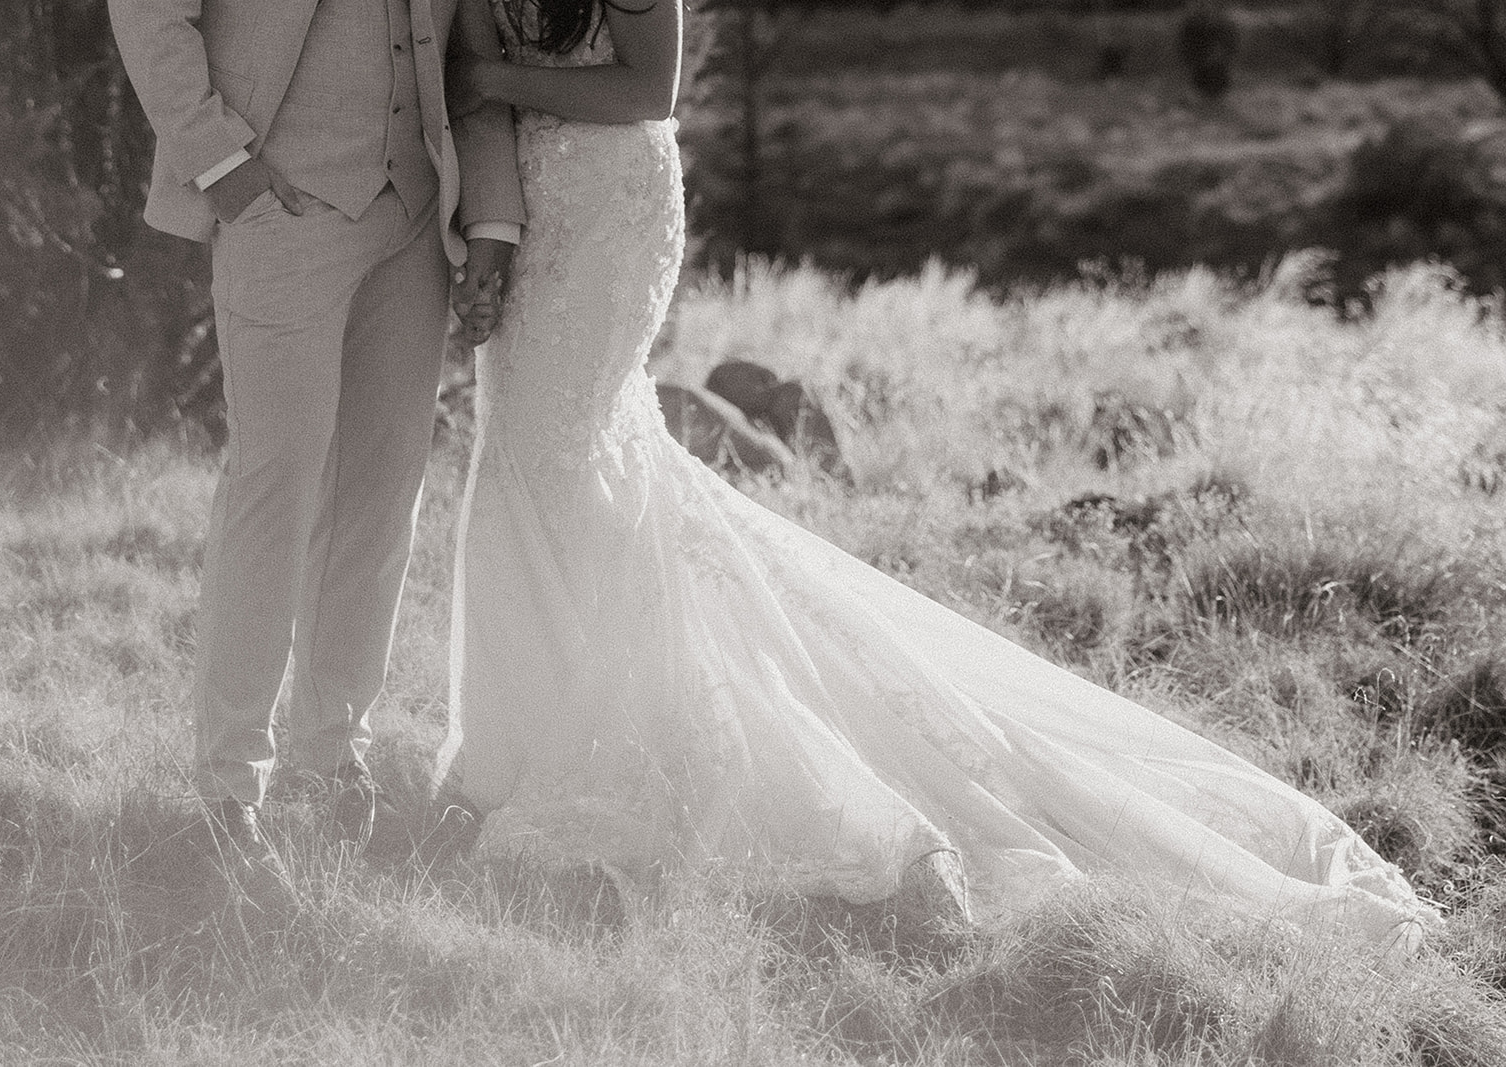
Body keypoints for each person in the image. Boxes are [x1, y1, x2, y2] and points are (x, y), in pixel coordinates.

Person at [435, 0, 1438, 948]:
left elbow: (644, 90)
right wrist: (488, 235)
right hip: (531, 206)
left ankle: (597, 741)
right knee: (524, 459)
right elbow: (475, 101)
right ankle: (520, 739)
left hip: (611, 206)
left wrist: (488, 71)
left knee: (567, 448)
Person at [107, 0, 526, 862]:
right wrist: (222, 161)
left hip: (414, 211)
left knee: (382, 495)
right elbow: (151, 15)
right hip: (279, 204)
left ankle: (331, 756)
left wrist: (489, 219)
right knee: (276, 483)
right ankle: (229, 786)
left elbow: (470, 59)